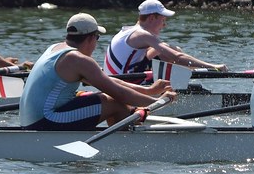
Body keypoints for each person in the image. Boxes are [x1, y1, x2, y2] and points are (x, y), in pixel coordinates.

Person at [20, 13, 176, 130]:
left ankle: (123, 136)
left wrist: (149, 91)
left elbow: (110, 81)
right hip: (45, 121)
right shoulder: (77, 59)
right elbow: (119, 94)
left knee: (103, 98)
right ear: (90, 38)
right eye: (97, 38)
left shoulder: (55, 49)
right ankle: (127, 148)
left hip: (30, 121)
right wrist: (160, 103)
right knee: (114, 103)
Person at [104, 0, 228, 75]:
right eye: (163, 20)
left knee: (166, 48)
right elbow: (177, 57)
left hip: (120, 79)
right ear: (152, 18)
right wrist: (213, 67)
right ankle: (186, 85)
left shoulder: (129, 31)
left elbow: (168, 53)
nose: (164, 25)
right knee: (173, 53)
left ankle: (189, 74)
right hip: (124, 85)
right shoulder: (142, 35)